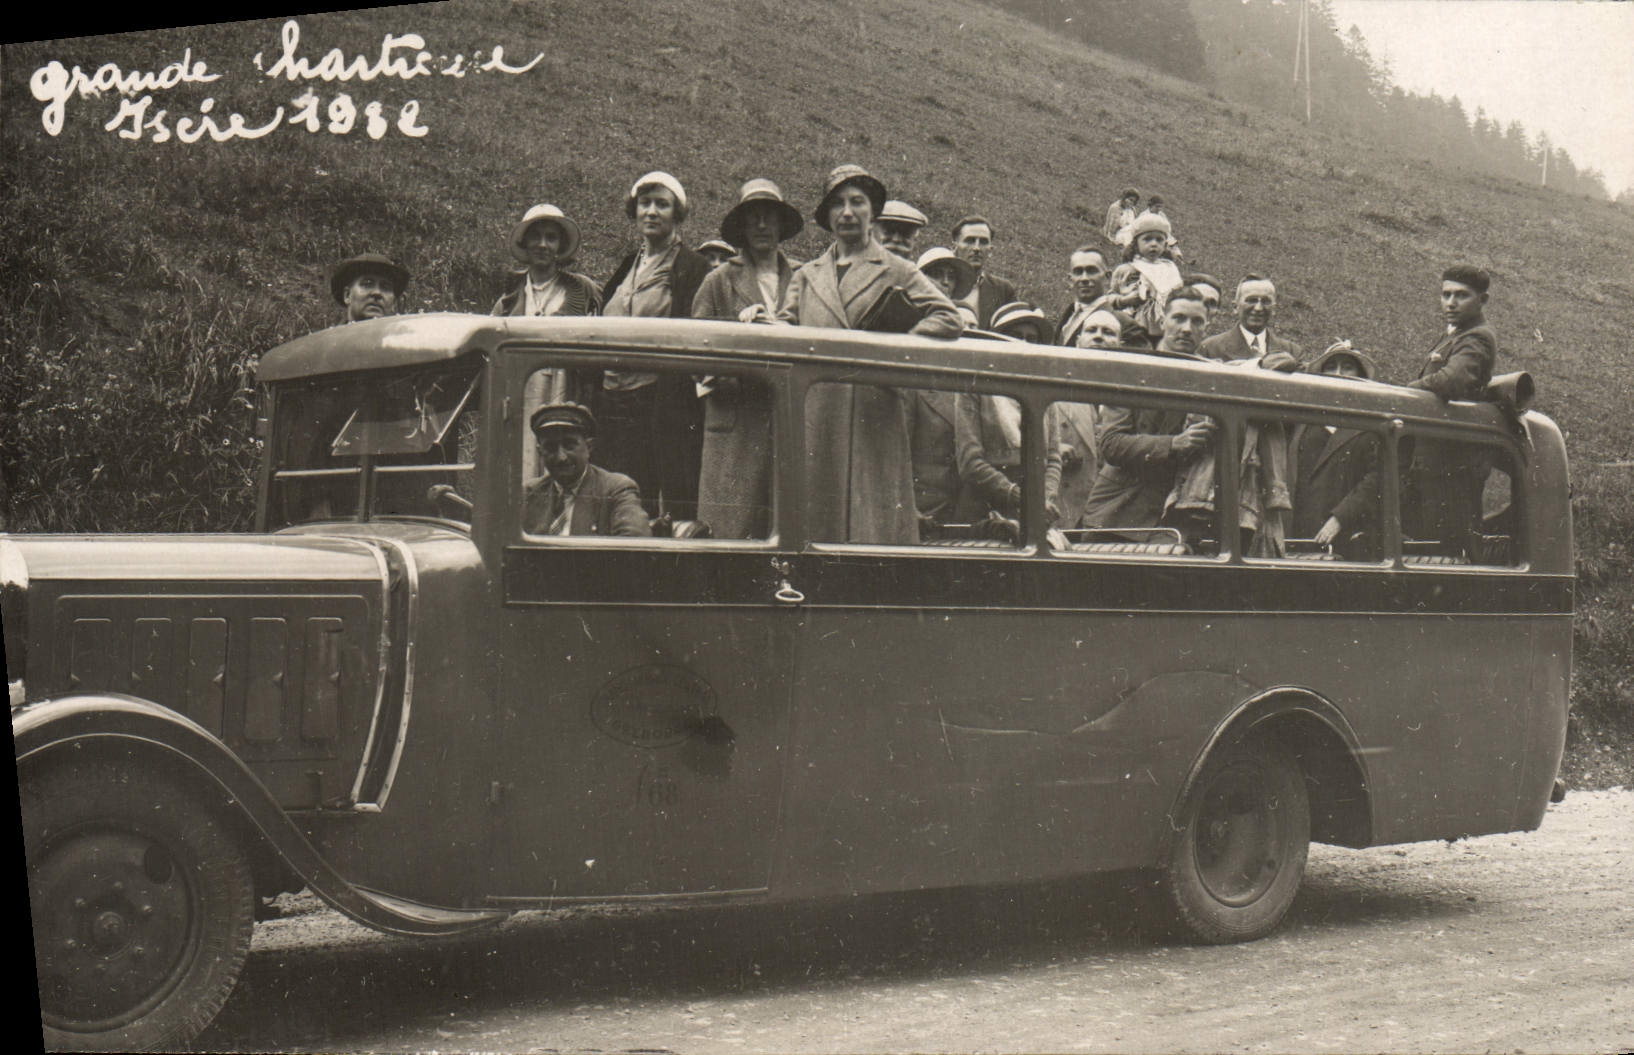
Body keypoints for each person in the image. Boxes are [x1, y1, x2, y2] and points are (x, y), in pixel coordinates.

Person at [780, 164, 962, 543]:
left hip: (873, 410)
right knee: (816, 521)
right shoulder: (806, 275)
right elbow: (785, 330)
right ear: (827, 215)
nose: (847, 212)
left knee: (872, 526)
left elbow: (948, 317)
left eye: (857, 202)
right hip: (817, 410)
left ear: (872, 213)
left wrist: (892, 346)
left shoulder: (898, 269)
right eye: (838, 204)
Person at [690, 178, 805, 538]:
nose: (761, 226)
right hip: (736, 422)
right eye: (752, 218)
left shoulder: (804, 276)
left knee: (786, 524)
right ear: (741, 227)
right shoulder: (719, 281)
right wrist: (739, 344)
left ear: (781, 225)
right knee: (730, 529)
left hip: (789, 418)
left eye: (769, 217)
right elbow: (695, 354)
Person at [596, 170, 711, 519]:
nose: (652, 212)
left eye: (662, 204)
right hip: (613, 399)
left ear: (677, 214)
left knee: (654, 500)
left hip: (659, 402)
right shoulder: (628, 264)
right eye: (645, 203)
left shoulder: (692, 266)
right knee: (615, 494)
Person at [1081, 287, 1216, 530]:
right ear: (1163, 321)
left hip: (1178, 520)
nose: (1187, 329)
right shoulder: (1133, 371)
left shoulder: (1211, 377)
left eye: (1197, 321)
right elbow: (1111, 443)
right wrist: (1173, 444)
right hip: (1118, 516)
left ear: (1206, 329)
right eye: (1179, 318)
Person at [493, 204, 603, 466]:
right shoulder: (509, 299)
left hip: (564, 388)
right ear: (525, 241)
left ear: (560, 245)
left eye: (551, 237)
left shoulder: (582, 290)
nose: (542, 244)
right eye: (536, 236)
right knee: (522, 458)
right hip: (522, 390)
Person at [1402, 265, 1501, 552]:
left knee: (1442, 553)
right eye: (1445, 294)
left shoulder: (1477, 337)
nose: (1450, 303)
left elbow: (1451, 381)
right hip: (1433, 466)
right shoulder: (1456, 334)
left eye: (1461, 295)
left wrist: (1403, 391)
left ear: (1482, 300)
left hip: (1450, 472)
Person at [956, 302, 1061, 524]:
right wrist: (1018, 496)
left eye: (1031, 339)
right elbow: (970, 462)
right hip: (985, 508)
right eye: (1014, 336)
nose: (1022, 344)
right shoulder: (975, 387)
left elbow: (1053, 457)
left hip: (1035, 511)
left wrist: (1044, 498)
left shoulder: (1044, 390)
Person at [1290, 343, 1385, 559]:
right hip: (1301, 531)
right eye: (1331, 367)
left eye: (1347, 367)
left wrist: (1340, 518)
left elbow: (1378, 478)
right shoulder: (1303, 420)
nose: (1338, 374)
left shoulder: (1370, 424)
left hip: (1347, 535)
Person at [521, 403, 651, 537]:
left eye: (569, 445)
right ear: (540, 452)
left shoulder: (616, 489)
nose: (561, 457)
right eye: (550, 447)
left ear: (589, 447)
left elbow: (635, 546)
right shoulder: (527, 494)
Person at [1196, 274, 1300, 371]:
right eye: (1251, 300)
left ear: (1274, 309)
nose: (1258, 308)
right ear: (1235, 307)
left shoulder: (1293, 351)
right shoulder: (1210, 348)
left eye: (1266, 301)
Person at [1120, 213, 1183, 340]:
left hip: (1163, 319)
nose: (1154, 244)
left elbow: (1177, 289)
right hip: (1137, 318)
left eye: (1159, 240)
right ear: (1136, 244)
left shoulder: (1169, 267)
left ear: (1165, 245)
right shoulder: (1131, 268)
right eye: (1147, 239)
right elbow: (1119, 290)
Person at [951, 215, 1018, 329]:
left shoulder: (1003, 290)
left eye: (983, 242)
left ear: (990, 248)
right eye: (970, 241)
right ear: (954, 246)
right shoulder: (938, 283)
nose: (976, 248)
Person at [1056, 246, 1113, 347]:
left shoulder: (1121, 322)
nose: (1084, 278)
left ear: (1107, 278)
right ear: (1070, 280)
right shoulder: (1068, 315)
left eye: (1091, 271)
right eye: (1078, 272)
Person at [330, 252, 408, 323]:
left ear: (393, 303)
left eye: (385, 287)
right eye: (367, 284)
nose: (377, 292)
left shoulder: (401, 338)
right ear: (347, 295)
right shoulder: (328, 338)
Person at [915, 247, 979, 327]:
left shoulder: (962, 317)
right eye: (937, 274)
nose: (946, 282)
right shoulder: (906, 313)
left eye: (951, 276)